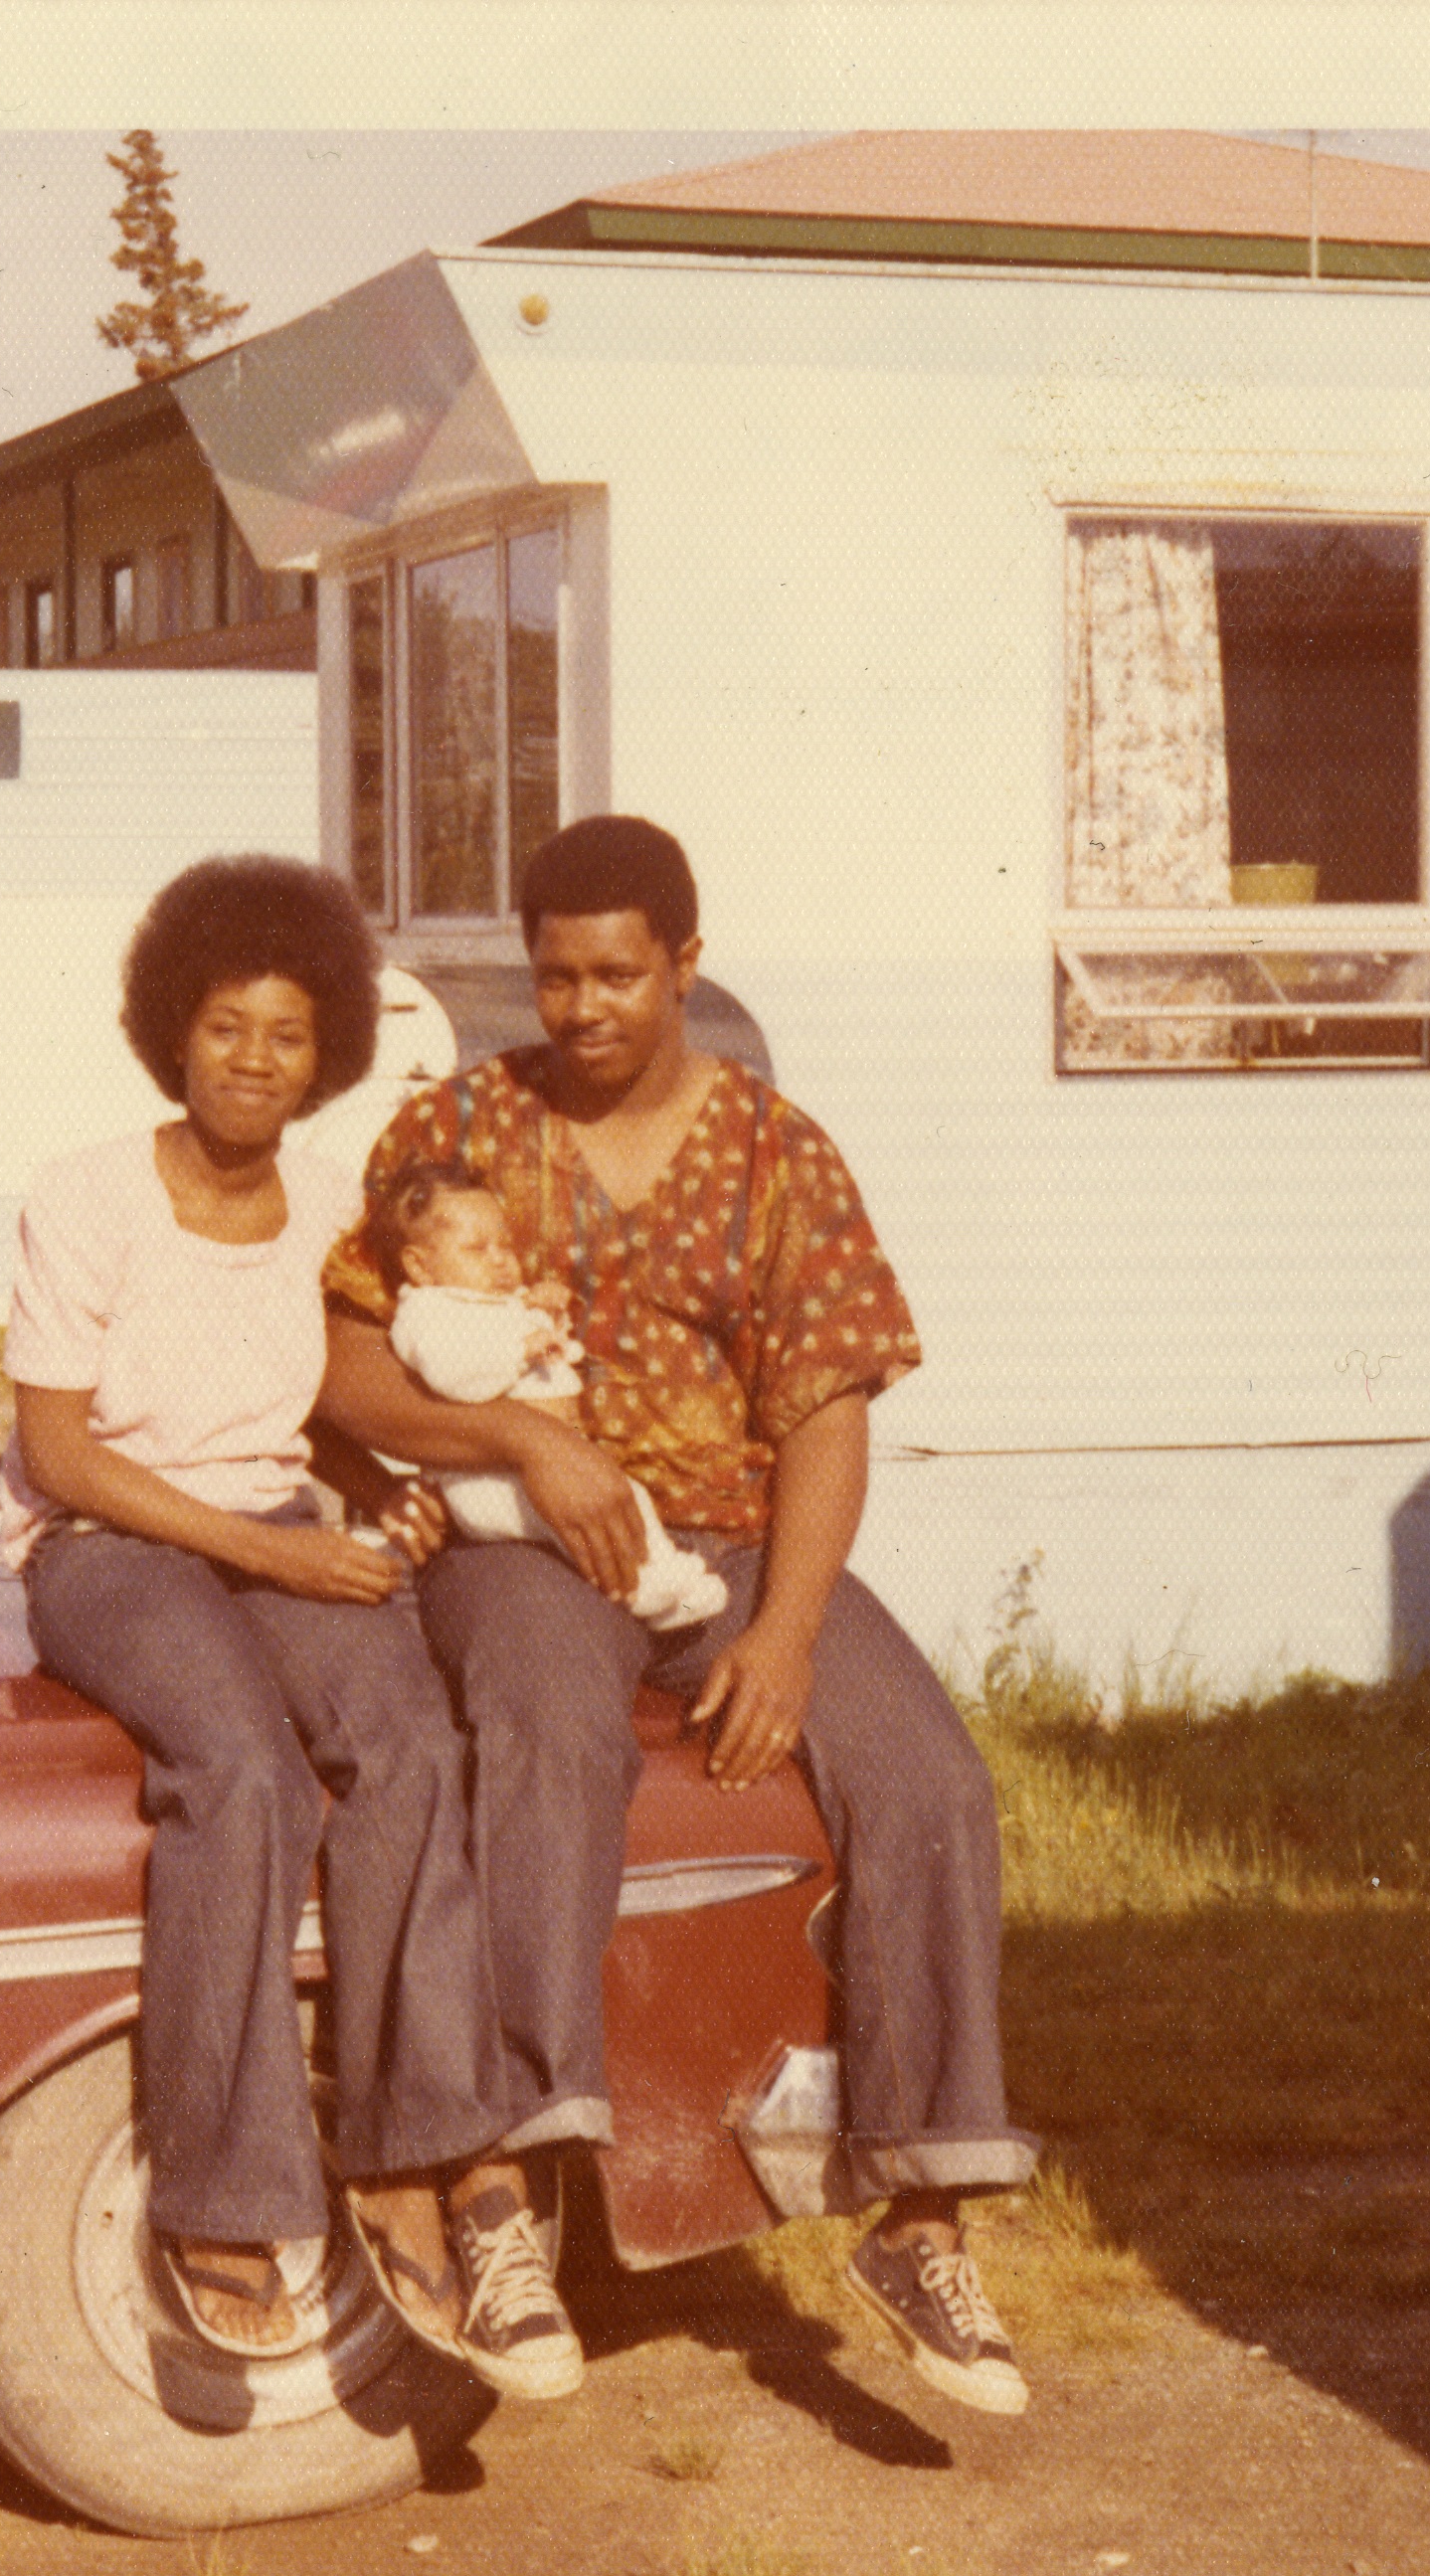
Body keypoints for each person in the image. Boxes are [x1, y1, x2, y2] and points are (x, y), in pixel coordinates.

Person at [320, 814, 1038, 2418]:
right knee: (544, 1725)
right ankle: (507, 2187)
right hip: (526, 1537)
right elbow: (347, 1362)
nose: (581, 1007)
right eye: (555, 972)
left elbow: (830, 1408)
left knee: (926, 1773)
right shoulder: (453, 1130)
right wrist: (520, 1437)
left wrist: (782, 1632)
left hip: (729, 1532)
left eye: (617, 975)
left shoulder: (781, 1149)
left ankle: (921, 2214)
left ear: (686, 965)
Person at [1, 854, 580, 2402]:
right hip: (110, 1544)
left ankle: (423, 2161)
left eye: (286, 1034)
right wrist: (276, 1559)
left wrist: (361, 1502)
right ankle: (230, 2198)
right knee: (243, 1774)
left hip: (278, 1530)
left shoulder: (333, 1208)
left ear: (323, 1052)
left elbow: (323, 1405)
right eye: (224, 1029)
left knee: (406, 1747)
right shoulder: (86, 1195)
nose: (254, 1060)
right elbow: (62, 1454)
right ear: (168, 1034)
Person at [363, 1158, 729, 1634]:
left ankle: (670, 1577)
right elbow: (456, 1377)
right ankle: (646, 1591)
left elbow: (552, 1359)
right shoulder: (427, 1314)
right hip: (488, 1482)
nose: (500, 1259)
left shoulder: (490, 1302)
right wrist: (521, 1349)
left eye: (505, 1246)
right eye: (477, 1248)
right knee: (588, 1523)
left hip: (538, 1468)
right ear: (419, 1264)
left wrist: (547, 1319)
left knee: (622, 1497)